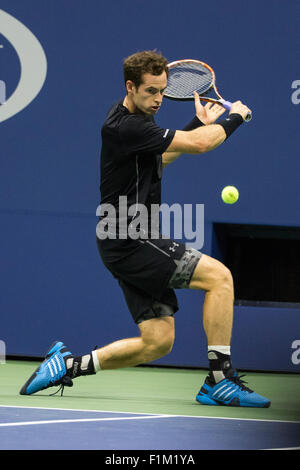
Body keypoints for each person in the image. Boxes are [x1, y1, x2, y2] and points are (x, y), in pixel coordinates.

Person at [20, 50, 270, 408]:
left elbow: (162, 156)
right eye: (150, 91)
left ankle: (68, 366)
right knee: (220, 278)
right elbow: (201, 145)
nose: (158, 100)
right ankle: (220, 379)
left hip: (121, 240)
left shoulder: (134, 123)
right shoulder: (125, 126)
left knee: (157, 341)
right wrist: (235, 118)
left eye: (162, 92)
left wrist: (197, 123)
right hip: (130, 238)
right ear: (130, 86)